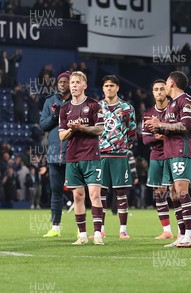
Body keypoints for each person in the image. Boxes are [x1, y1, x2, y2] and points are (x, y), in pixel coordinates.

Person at [145, 71, 191, 248]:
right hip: (169, 153)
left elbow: (185, 125)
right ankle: (181, 235)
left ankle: (189, 236)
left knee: (182, 192)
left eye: (166, 84)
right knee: (174, 194)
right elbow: (168, 128)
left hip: (181, 151)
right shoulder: (171, 105)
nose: (164, 87)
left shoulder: (186, 100)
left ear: (172, 84)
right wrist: (156, 128)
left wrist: (161, 125)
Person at [58, 71, 105, 245]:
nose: (74, 85)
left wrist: (82, 128)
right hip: (72, 157)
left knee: (94, 195)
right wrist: (72, 129)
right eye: (72, 82)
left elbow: (99, 130)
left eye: (78, 82)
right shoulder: (65, 109)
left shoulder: (94, 105)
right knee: (78, 196)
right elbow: (62, 136)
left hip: (91, 156)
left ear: (85, 85)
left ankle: (98, 233)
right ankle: (82, 235)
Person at [97, 75, 137, 239]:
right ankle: (101, 229)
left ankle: (122, 230)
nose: (109, 88)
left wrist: (125, 145)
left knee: (121, 192)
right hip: (101, 154)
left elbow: (133, 131)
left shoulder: (127, 108)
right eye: (106, 85)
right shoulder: (96, 107)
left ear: (118, 88)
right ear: (103, 88)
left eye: (112, 85)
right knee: (100, 192)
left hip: (119, 155)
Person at [142, 79, 175, 239]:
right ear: (153, 92)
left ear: (167, 90)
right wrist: (160, 137)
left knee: (176, 192)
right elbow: (145, 139)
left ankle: (183, 229)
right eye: (156, 89)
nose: (160, 91)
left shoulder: (174, 109)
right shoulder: (148, 113)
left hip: (173, 155)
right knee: (159, 194)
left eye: (162, 88)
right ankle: (167, 230)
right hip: (156, 157)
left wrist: (164, 133)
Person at [39, 71, 71, 238]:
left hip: (72, 152)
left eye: (66, 81)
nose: (62, 84)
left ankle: (85, 228)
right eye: (60, 81)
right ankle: (55, 227)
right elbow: (43, 125)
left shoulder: (77, 102)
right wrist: (54, 116)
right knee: (55, 191)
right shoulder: (49, 101)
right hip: (53, 154)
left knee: (79, 191)